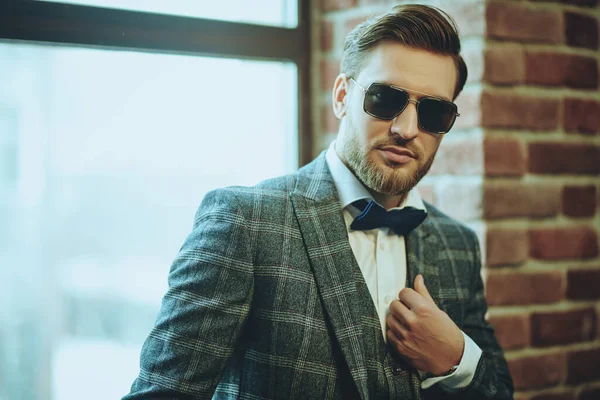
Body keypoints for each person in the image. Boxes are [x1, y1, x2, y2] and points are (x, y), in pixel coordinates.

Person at [123, 4, 513, 399]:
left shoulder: (459, 245)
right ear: (342, 96)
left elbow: (499, 391)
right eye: (384, 99)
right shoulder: (244, 222)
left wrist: (455, 358)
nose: (406, 129)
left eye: (433, 111)